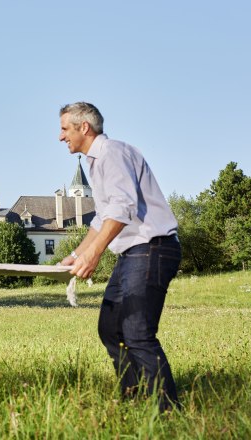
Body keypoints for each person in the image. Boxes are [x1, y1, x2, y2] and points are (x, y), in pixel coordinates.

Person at [58, 102, 182, 411]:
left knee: (138, 332)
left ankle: (167, 410)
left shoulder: (112, 153)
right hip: (132, 252)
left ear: (83, 127)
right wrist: (76, 254)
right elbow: (102, 219)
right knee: (111, 328)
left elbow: (122, 209)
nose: (60, 137)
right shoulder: (95, 162)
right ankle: (134, 397)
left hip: (152, 247)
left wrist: (94, 255)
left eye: (64, 129)